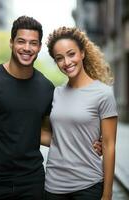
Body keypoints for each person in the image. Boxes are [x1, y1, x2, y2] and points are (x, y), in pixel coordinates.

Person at [0, 16, 102, 200]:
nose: (27, 48)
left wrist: (86, 143)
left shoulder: (46, 88)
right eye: (21, 41)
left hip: (33, 184)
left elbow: (45, 132)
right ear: (12, 43)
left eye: (33, 43)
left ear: (38, 47)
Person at [43, 27, 118, 200]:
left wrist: (107, 194)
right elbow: (49, 135)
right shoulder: (55, 94)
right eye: (59, 58)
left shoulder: (103, 94)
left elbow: (109, 145)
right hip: (53, 186)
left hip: (89, 186)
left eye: (71, 54)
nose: (66, 62)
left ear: (82, 53)